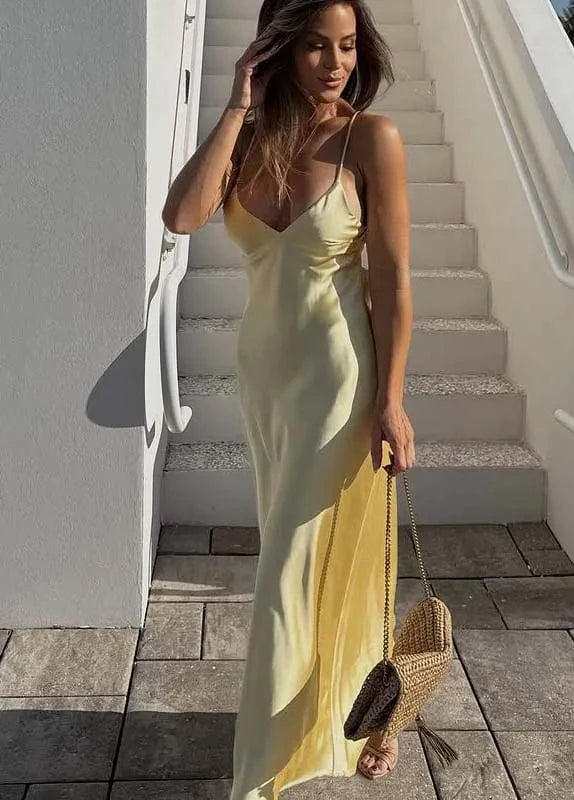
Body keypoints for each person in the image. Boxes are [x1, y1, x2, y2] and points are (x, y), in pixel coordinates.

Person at [161, 1, 415, 796]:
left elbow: (392, 281)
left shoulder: (370, 139)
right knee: (299, 558)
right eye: (314, 46)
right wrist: (238, 103)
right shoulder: (251, 139)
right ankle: (351, 719)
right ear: (276, 50)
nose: (335, 64)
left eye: (347, 46)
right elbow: (181, 214)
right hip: (265, 380)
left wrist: (393, 400)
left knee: (286, 570)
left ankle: (261, 774)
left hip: (339, 381)